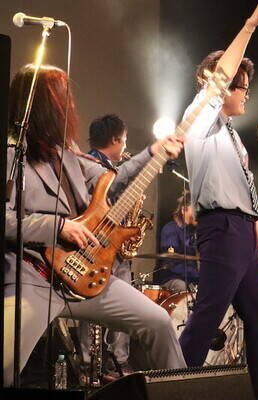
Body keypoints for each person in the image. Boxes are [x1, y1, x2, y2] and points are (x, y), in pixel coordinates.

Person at [3, 64, 186, 386]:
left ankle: (183, 393)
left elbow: (112, 182)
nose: (70, 104)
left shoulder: (67, 154)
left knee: (158, 321)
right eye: (62, 96)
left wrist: (153, 153)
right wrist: (58, 227)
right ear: (41, 103)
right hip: (33, 278)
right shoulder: (10, 154)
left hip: (85, 276)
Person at [178, 2, 258, 399]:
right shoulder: (200, 116)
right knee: (208, 315)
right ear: (222, 87)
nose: (247, 96)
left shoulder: (234, 136)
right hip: (220, 228)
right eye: (243, 88)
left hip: (243, 233)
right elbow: (221, 76)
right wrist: (250, 25)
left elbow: (248, 195)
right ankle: (174, 388)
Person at [80, 114, 134, 379]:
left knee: (125, 308)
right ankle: (90, 365)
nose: (125, 146)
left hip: (116, 250)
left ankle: (117, 361)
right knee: (90, 309)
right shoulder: (89, 166)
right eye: (124, 140)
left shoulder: (112, 169)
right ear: (114, 140)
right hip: (96, 249)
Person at [157, 190, 199, 293]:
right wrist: (198, 274)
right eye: (195, 210)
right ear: (184, 210)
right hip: (172, 277)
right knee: (182, 287)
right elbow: (173, 263)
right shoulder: (170, 229)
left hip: (193, 278)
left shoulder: (195, 230)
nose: (199, 213)